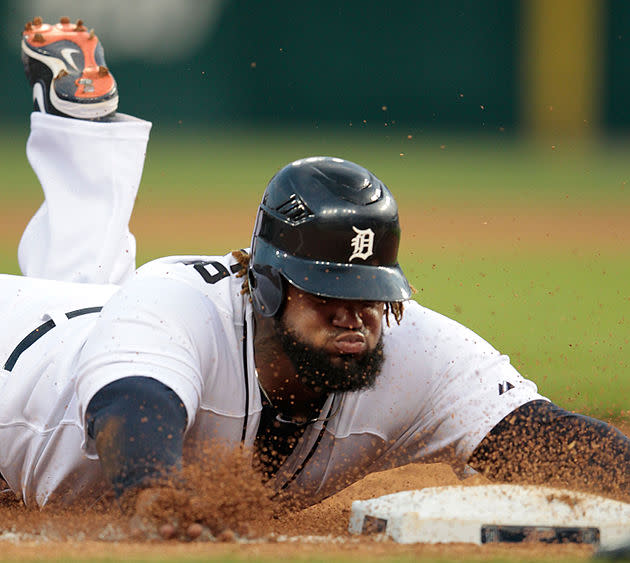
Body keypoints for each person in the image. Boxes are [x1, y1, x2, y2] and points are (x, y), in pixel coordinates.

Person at [4, 17, 629, 538]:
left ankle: (79, 128)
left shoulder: (418, 355)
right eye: (328, 291)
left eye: (369, 292)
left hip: (95, 325)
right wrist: (155, 499)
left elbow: (540, 435)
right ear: (268, 287)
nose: (353, 312)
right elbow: (133, 411)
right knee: (110, 309)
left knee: (101, 293)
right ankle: (79, 132)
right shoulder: (179, 303)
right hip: (16, 352)